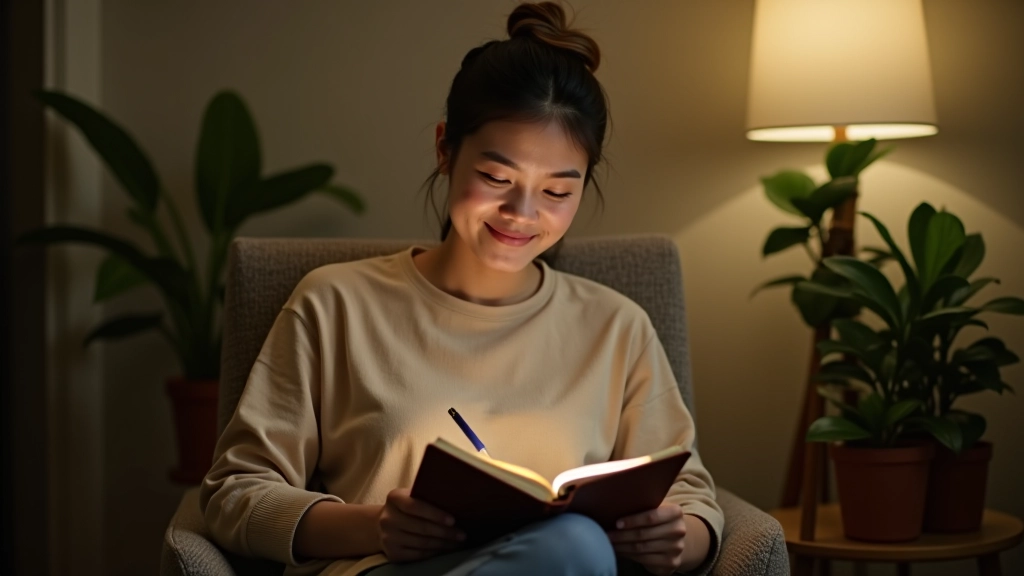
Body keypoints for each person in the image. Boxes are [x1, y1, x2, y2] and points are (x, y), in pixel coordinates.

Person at [200, 3, 724, 575]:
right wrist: (376, 525)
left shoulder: (617, 327)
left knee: (574, 546)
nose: (522, 213)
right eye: (496, 178)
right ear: (446, 149)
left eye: (557, 191)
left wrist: (679, 539)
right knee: (574, 546)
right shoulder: (336, 304)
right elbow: (234, 493)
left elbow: (693, 498)